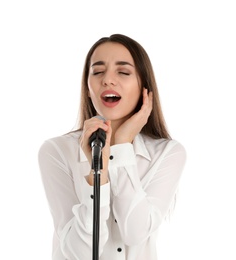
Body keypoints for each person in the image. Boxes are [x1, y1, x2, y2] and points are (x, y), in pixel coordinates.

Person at [38, 33, 186, 260]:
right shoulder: (56, 151)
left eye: (123, 72)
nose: (107, 80)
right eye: (97, 72)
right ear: (88, 88)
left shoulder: (167, 153)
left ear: (144, 88)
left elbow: (135, 233)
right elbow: (79, 253)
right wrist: (100, 174)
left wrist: (122, 145)